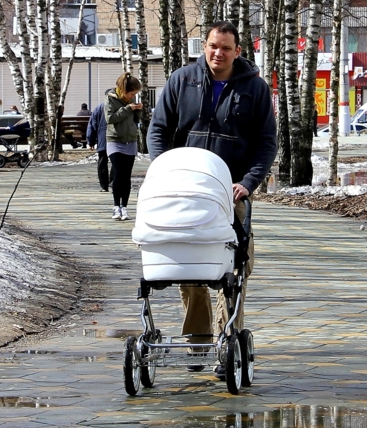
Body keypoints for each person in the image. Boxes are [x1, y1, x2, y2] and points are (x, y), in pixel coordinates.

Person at [148, 20, 277, 368]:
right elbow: (158, 130)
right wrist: (165, 172)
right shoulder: (182, 80)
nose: (217, 53)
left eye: (225, 48)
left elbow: (267, 143)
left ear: (237, 52)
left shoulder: (254, 89)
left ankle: (227, 341)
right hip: (184, 191)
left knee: (232, 271)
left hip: (231, 194)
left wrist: (248, 183)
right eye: (212, 46)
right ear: (204, 47)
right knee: (188, 267)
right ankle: (198, 343)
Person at [104, 74, 143, 220]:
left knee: (127, 176)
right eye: (132, 93)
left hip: (130, 140)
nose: (133, 96)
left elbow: (135, 120)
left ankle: (124, 207)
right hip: (115, 140)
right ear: (123, 90)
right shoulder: (110, 98)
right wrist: (127, 108)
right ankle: (116, 206)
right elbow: (110, 118)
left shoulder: (131, 101)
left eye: (135, 94)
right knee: (119, 173)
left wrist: (137, 110)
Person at [85, 100, 110, 191]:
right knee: (117, 161)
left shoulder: (99, 108)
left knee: (102, 161)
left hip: (102, 138)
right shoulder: (121, 106)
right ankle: (113, 182)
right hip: (118, 139)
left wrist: (90, 141)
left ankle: (104, 185)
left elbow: (92, 125)